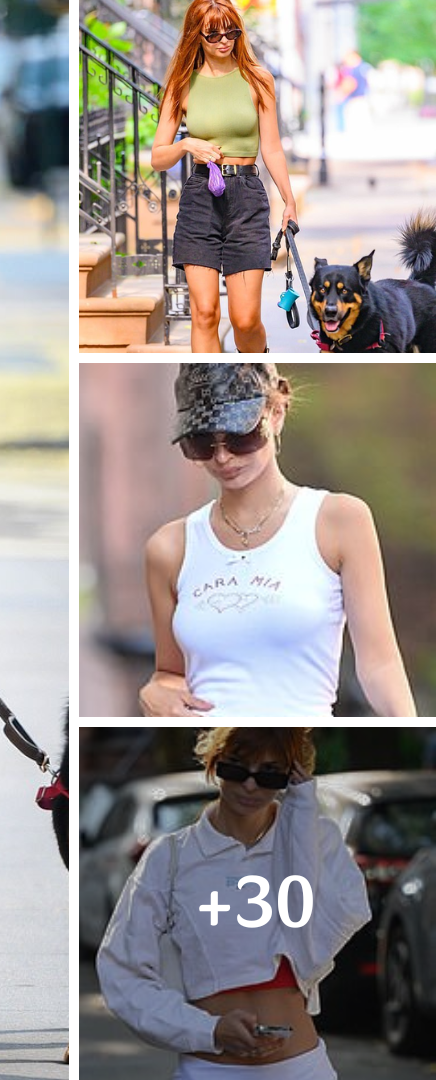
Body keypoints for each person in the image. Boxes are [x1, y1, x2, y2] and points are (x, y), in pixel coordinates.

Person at [139, 363, 416, 718]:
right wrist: (155, 689)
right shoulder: (169, 546)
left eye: (241, 436)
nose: (223, 457)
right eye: (202, 443)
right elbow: (170, 673)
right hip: (204, 751)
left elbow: (381, 665)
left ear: (278, 413)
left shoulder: (340, 520)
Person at [97, 727, 370, 1080]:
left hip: (303, 1068)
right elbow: (123, 973)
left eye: (271, 773)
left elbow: (314, 930)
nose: (251, 785)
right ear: (213, 765)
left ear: (291, 775)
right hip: (210, 1069)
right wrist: (207, 1030)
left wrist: (301, 808)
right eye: (236, 768)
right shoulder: (172, 857)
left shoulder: (317, 842)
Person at [150, 0, 298, 354]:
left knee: (245, 321)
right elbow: (158, 156)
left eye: (231, 31)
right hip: (201, 196)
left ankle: (257, 372)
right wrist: (188, 145)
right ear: (196, 35)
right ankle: (211, 389)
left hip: (246, 196)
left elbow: (272, 149)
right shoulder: (181, 85)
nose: (224, 40)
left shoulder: (258, 80)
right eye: (213, 33)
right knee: (204, 314)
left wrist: (289, 201)